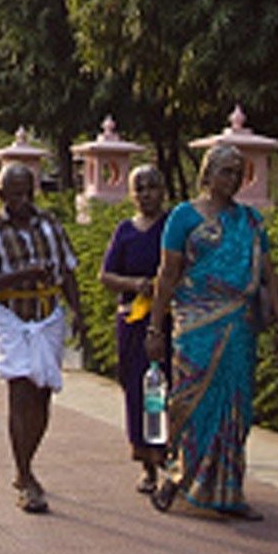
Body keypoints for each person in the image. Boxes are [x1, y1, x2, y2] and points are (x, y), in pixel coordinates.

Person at [146, 143, 278, 520]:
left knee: (236, 407)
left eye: (239, 173)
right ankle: (175, 478)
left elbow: (269, 275)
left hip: (240, 327)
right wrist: (154, 327)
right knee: (189, 403)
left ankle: (229, 491)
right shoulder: (183, 217)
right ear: (207, 173)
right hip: (195, 325)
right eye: (226, 171)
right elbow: (167, 275)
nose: (233, 180)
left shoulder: (251, 221)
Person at [0, 162, 87, 514]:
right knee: (20, 390)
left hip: (49, 314)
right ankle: (25, 476)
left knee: (43, 392)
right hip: (12, 316)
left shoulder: (50, 224)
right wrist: (22, 275)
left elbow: (67, 269)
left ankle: (27, 461)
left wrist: (78, 313)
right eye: (15, 194)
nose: (23, 200)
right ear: (1, 194)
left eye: (28, 192)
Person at [99, 164, 171, 493]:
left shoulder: (172, 227)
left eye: (151, 187)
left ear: (163, 190)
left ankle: (167, 458)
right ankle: (146, 464)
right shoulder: (125, 231)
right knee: (138, 391)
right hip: (132, 322)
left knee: (163, 391)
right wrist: (135, 284)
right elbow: (106, 275)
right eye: (139, 188)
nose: (145, 194)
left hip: (168, 321)